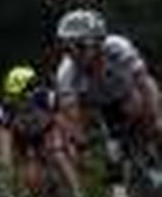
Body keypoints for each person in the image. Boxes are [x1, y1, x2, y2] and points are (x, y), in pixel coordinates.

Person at [54, 8, 162, 159]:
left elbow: (144, 81)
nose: (74, 54)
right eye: (67, 48)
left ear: (98, 41)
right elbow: (70, 110)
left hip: (129, 93)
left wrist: (155, 116)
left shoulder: (117, 47)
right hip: (99, 106)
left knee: (144, 114)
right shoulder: (66, 71)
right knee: (111, 155)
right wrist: (79, 138)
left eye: (80, 46)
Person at [0, 64, 91, 197]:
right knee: (27, 171)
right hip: (22, 137)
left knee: (58, 156)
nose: (19, 101)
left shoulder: (45, 96)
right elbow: (3, 135)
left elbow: (61, 121)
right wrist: (6, 161)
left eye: (23, 96)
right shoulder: (6, 108)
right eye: (14, 97)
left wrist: (76, 142)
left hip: (46, 130)